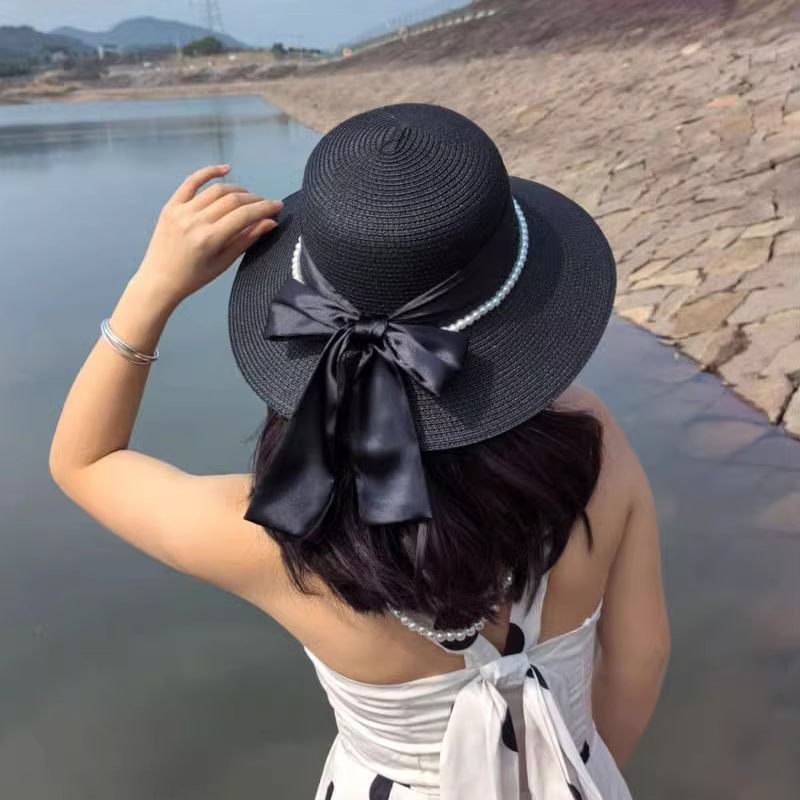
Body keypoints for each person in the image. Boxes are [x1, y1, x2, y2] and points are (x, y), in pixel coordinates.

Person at [49, 103, 670, 799]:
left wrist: (153, 288)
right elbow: (641, 657)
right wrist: (573, 772)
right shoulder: (593, 446)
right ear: (518, 311)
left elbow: (85, 461)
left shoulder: (273, 536)